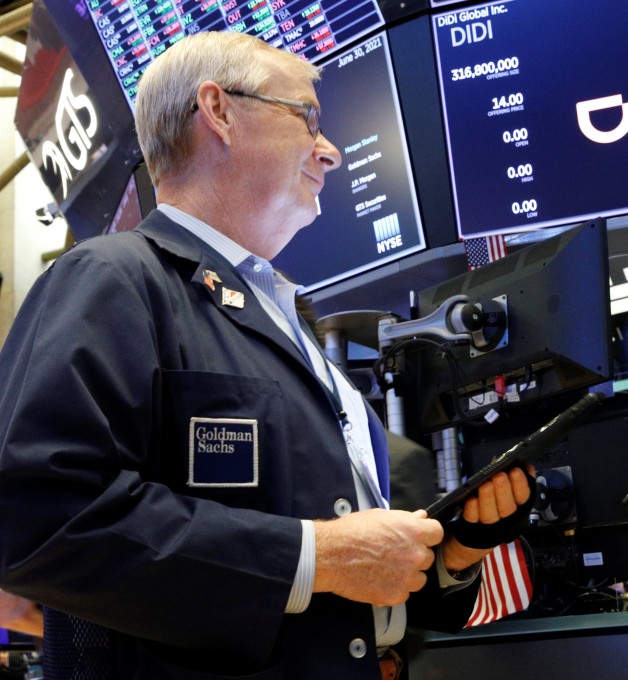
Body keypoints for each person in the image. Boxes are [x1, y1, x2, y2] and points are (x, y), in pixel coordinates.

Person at [0, 31, 533, 679]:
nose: (332, 151)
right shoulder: (115, 277)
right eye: (307, 118)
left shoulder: (291, 323)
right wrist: (316, 557)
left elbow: (353, 577)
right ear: (219, 111)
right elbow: (37, 518)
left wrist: (449, 557)